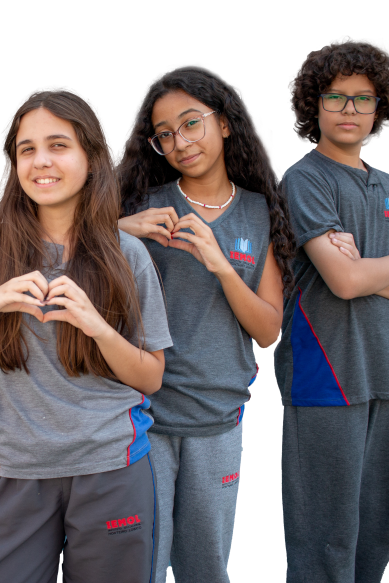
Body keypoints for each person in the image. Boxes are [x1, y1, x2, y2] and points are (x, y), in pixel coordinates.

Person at [0, 85, 172, 583]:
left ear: (89, 156)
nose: (42, 161)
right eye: (27, 149)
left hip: (111, 467)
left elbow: (152, 378)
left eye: (58, 145)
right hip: (18, 470)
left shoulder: (128, 254)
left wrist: (96, 326)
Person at [117, 62, 297, 583]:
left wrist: (221, 265)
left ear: (223, 123)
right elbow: (63, 257)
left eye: (191, 123)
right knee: (141, 567)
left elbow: (268, 332)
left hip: (218, 419)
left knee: (207, 568)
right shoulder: (144, 208)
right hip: (143, 416)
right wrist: (117, 228)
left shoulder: (261, 212)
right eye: (164, 135)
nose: (179, 142)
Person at [275, 41, 389, 582]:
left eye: (362, 99)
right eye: (336, 96)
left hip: (383, 377)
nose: (349, 109)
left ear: (379, 108)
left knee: (378, 527)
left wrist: (373, 266)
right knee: (327, 534)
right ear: (313, 105)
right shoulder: (305, 180)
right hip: (325, 379)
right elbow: (343, 283)